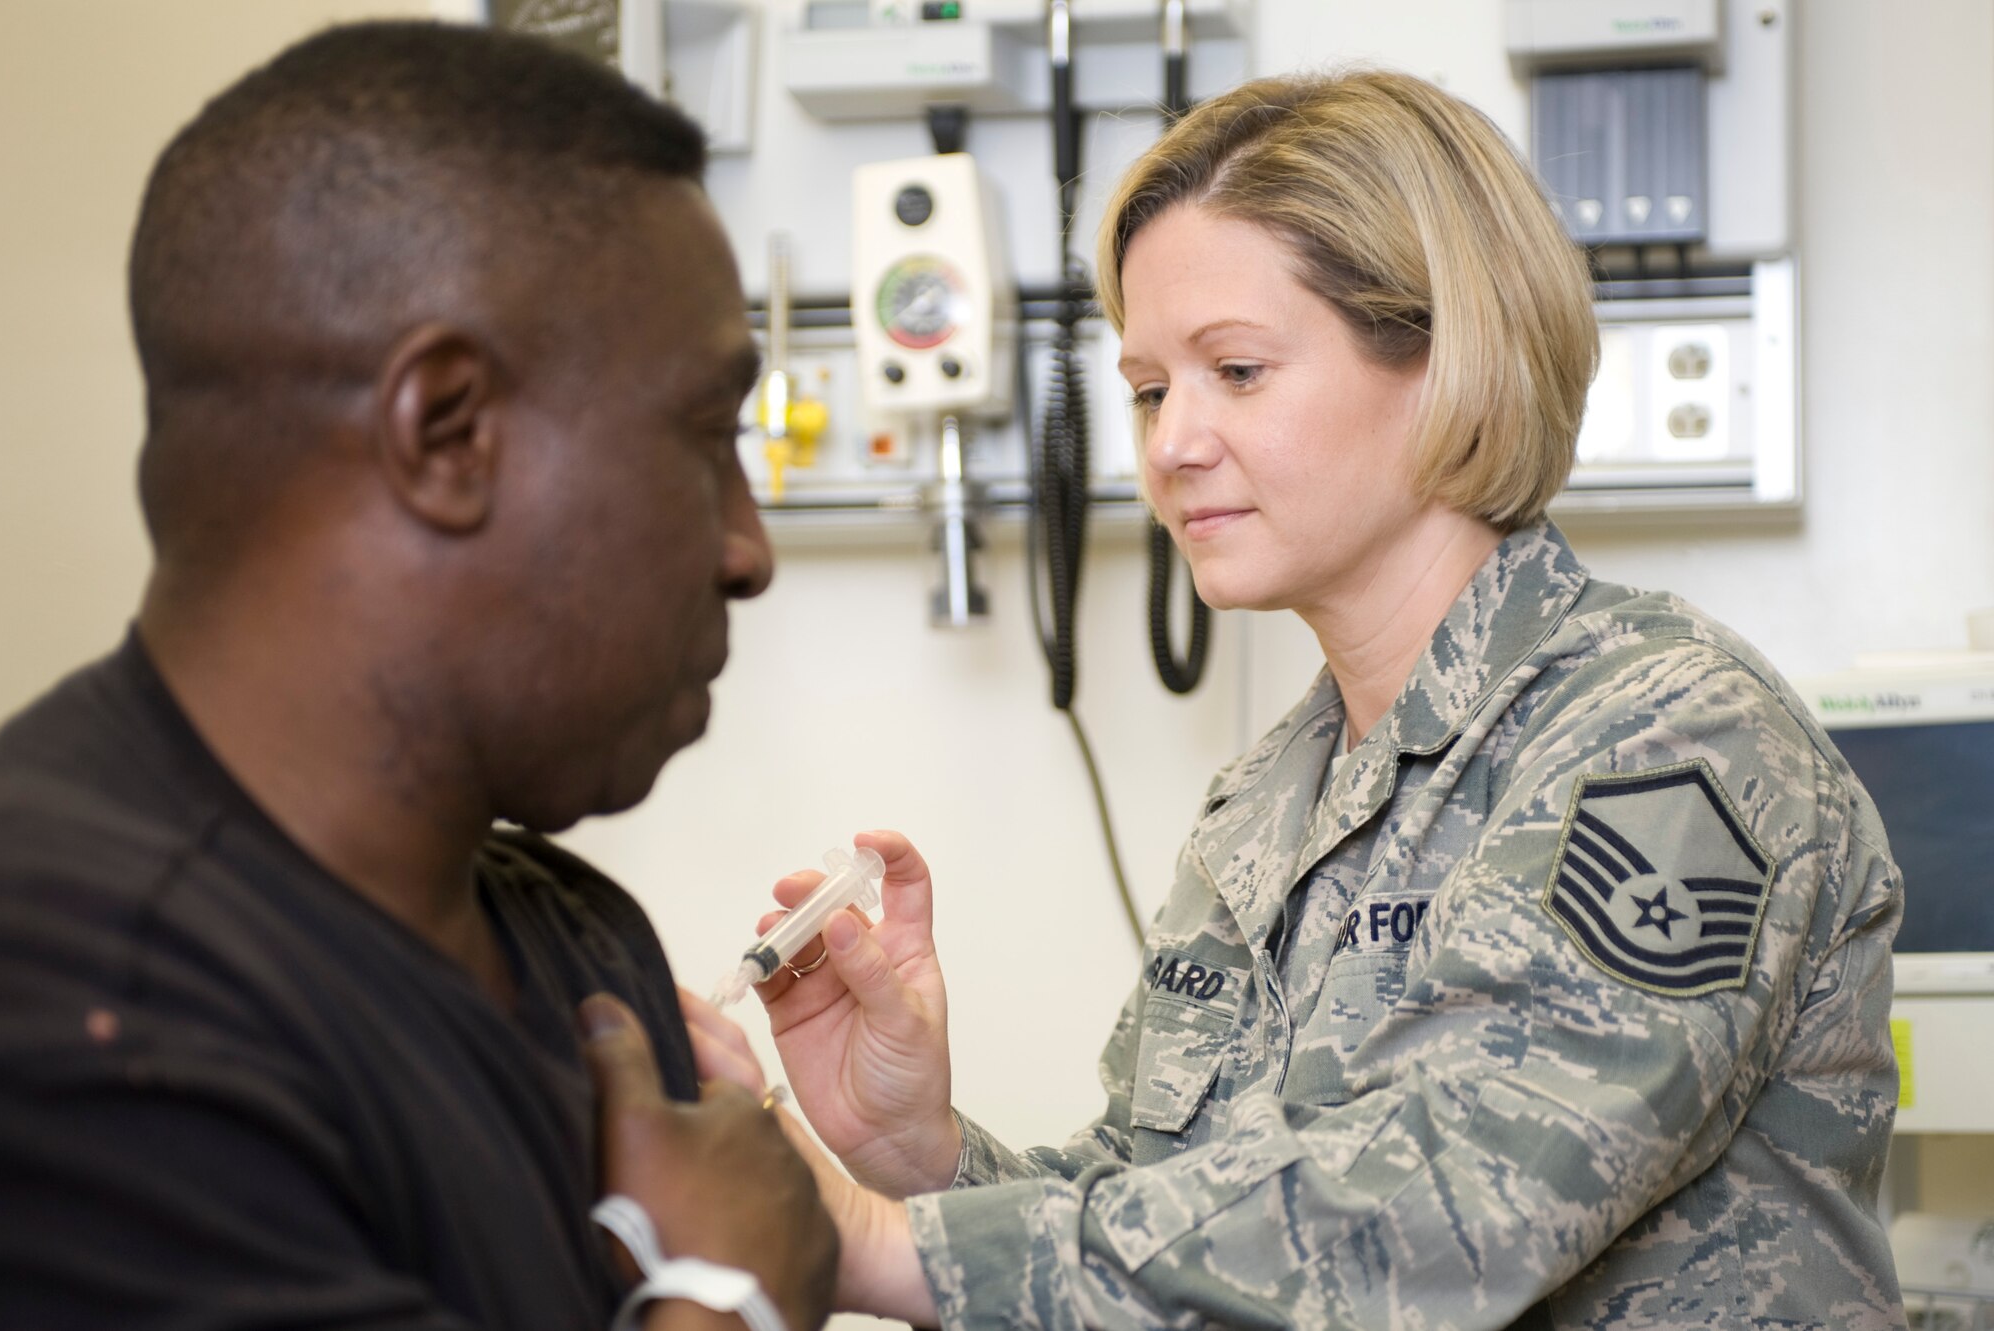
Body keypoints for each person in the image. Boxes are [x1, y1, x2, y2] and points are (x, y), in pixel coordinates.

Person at [685, 70, 1909, 1329]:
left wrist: (873, 1242)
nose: (1168, 444)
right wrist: (916, 1156)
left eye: (1237, 370)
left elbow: (1451, 1219)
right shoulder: (1269, 803)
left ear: (1445, 360)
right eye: (1152, 388)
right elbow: (1181, 1224)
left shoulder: (1668, 743)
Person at [0, 21, 838, 1331]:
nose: (748, 550)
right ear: (447, 432)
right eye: (705, 436)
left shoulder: (571, 937)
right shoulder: (83, 1006)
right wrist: (729, 1294)